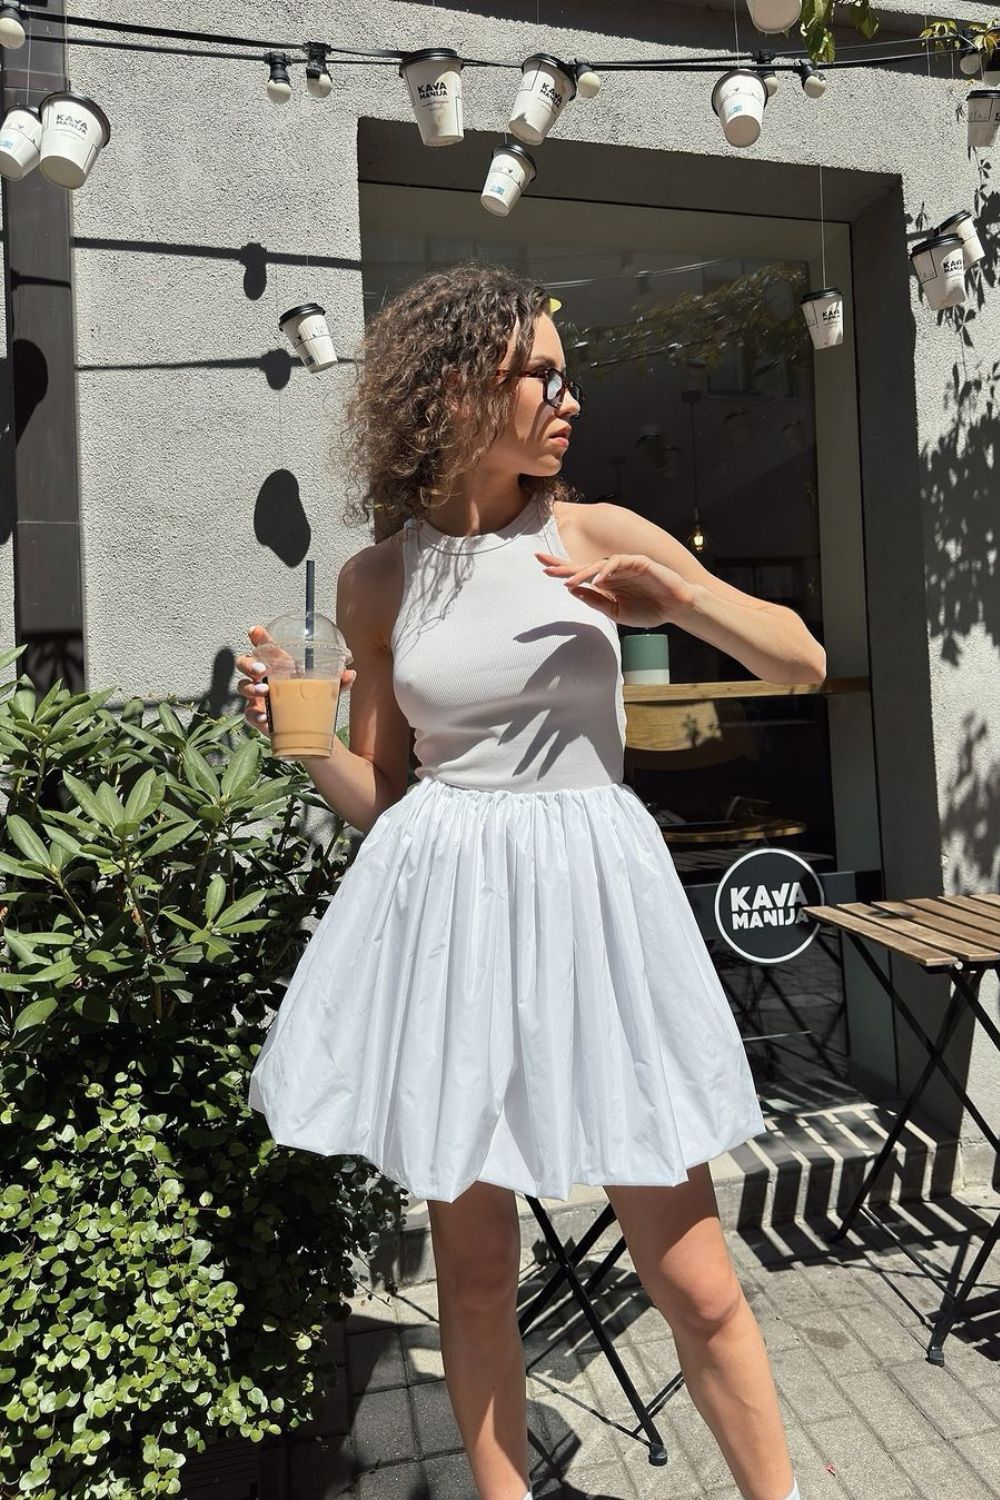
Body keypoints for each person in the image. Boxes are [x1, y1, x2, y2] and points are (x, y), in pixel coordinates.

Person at [237, 261, 825, 1500]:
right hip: (451, 920)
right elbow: (387, 798)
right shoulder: (378, 581)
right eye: (540, 374)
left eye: (567, 374)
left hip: (598, 914)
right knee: (474, 1276)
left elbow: (801, 662)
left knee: (697, 1279)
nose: (567, 398)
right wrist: (298, 743)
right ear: (457, 389)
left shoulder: (595, 533)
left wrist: (676, 597)